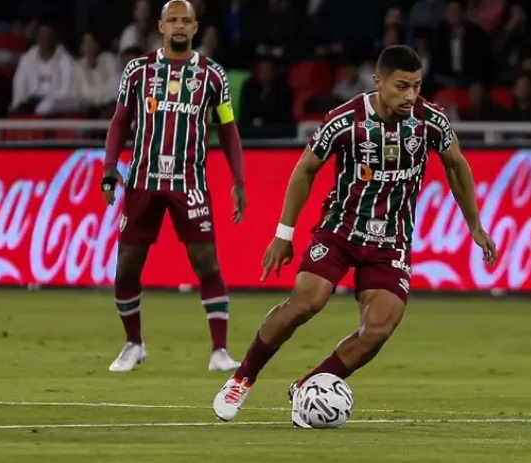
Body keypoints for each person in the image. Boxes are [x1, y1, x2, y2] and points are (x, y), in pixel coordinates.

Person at [212, 45, 498, 426]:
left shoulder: (431, 121)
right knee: (305, 303)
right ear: (378, 82)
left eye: (416, 86)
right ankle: (242, 378)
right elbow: (305, 170)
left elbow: (456, 165)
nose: (410, 96)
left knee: (380, 327)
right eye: (401, 87)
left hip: (391, 241)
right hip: (341, 231)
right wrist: (284, 233)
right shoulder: (345, 120)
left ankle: (309, 386)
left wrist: (475, 224)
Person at [101, 0, 246, 373]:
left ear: (195, 28)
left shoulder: (213, 76)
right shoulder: (137, 72)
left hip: (189, 184)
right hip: (143, 182)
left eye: (186, 20)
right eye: (172, 20)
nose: (179, 26)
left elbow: (227, 130)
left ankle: (219, 351)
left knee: (205, 261)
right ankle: (133, 344)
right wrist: (109, 168)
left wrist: (239, 181)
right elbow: (120, 121)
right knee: (127, 266)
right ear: (161, 27)